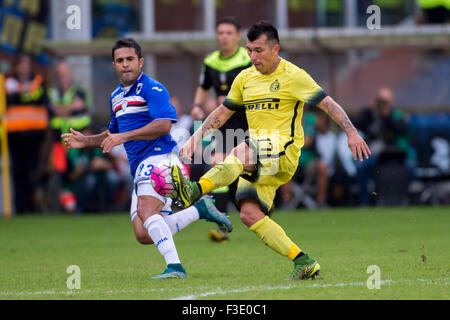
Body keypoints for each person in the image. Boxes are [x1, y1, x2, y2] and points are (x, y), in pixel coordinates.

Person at [170, 21, 371, 280]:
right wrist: (196, 138)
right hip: (258, 156)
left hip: (283, 153)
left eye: (259, 51)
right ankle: (304, 261)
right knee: (249, 214)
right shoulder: (244, 78)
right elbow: (222, 112)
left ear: (275, 49)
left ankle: (194, 191)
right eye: (249, 50)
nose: (253, 57)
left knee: (240, 150)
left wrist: (351, 132)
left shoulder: (294, 75)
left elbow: (328, 104)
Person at [62, 38, 232, 279]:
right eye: (120, 60)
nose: (125, 64)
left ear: (140, 62)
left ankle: (175, 267)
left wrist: (124, 136)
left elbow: (163, 126)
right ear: (114, 64)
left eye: (130, 59)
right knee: (143, 234)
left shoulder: (152, 88)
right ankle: (199, 209)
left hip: (160, 158)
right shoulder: (116, 97)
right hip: (140, 165)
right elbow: (113, 133)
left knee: (146, 210)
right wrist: (86, 141)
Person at [190, 16, 252, 242]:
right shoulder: (211, 61)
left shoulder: (248, 59)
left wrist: (235, 99)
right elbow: (203, 87)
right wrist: (197, 105)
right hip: (224, 125)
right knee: (217, 163)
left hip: (248, 123)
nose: (224, 37)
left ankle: (262, 211)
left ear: (238, 36)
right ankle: (221, 223)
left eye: (229, 33)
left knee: (250, 171)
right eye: (220, 33)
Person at [4, 54, 51, 214]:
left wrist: (21, 94)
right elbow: (9, 99)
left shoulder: (38, 81)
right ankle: (20, 206)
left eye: (27, 64)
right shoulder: (8, 82)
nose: (24, 67)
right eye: (22, 64)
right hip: (15, 135)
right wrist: (23, 94)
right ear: (16, 66)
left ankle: (32, 205)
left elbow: (40, 100)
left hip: (34, 135)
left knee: (33, 171)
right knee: (18, 171)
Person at [353, 86, 410, 205]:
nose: (383, 104)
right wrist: (367, 110)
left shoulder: (395, 115)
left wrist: (387, 116)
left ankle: (397, 200)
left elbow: (402, 130)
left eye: (386, 101)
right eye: (381, 100)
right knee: (361, 166)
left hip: (390, 156)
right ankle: (363, 202)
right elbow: (355, 125)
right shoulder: (370, 114)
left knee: (409, 167)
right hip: (371, 153)